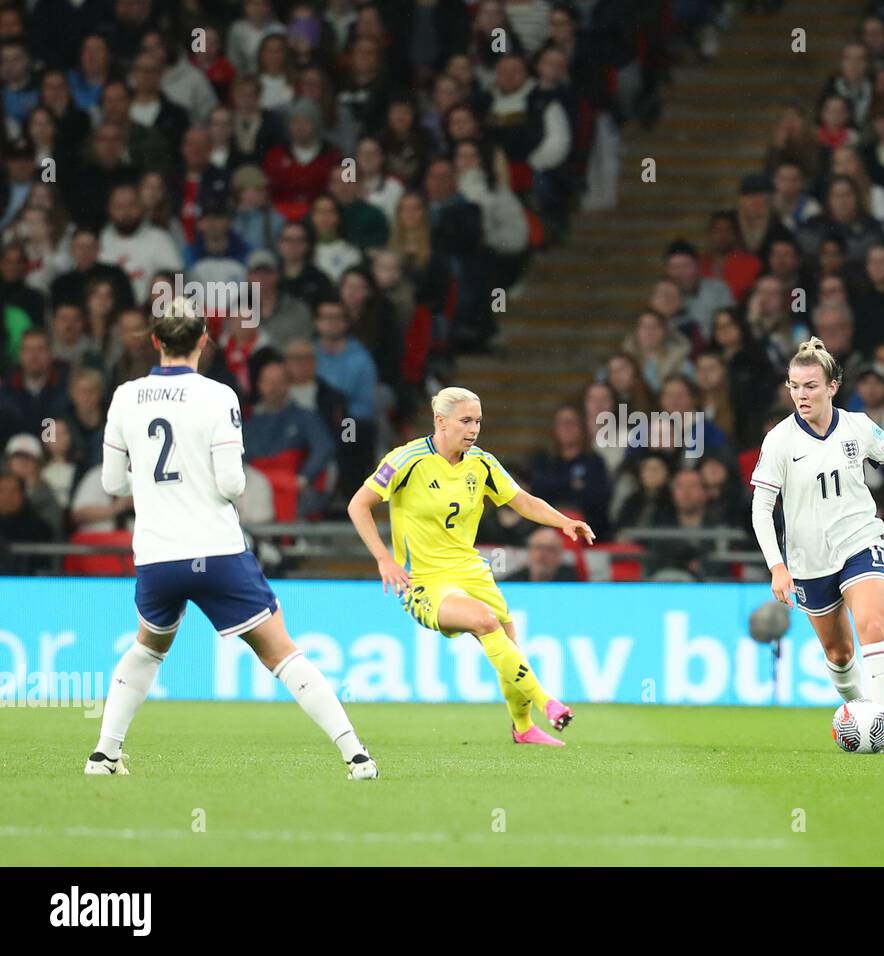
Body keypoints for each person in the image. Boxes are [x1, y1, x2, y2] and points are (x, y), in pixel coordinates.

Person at [87, 300, 377, 779]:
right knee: (281, 651)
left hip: (157, 554)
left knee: (147, 649)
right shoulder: (218, 395)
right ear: (204, 340)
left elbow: (114, 485)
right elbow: (232, 486)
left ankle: (104, 754)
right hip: (216, 551)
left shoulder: (124, 396)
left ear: (156, 341)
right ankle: (357, 756)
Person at [347, 386, 593, 747]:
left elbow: (521, 501)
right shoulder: (406, 459)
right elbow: (358, 505)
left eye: (478, 420)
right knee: (484, 622)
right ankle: (548, 703)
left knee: (509, 642)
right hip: (424, 580)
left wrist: (562, 522)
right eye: (465, 421)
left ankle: (523, 728)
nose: (473, 429)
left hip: (470, 569)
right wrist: (384, 559)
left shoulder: (482, 462)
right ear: (440, 421)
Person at [750, 337, 884, 754]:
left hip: (859, 541)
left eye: (810, 385)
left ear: (832, 386)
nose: (801, 394)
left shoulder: (858, 427)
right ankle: (857, 713)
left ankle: (880, 727)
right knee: (840, 651)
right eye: (794, 386)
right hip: (809, 560)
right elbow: (761, 508)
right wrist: (777, 566)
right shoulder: (778, 440)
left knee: (872, 625)